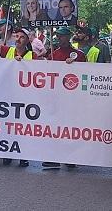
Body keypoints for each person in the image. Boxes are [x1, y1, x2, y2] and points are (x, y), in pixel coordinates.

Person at [0, 27, 35, 167]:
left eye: (21, 37)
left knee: (22, 128)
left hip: (24, 98)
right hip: (8, 95)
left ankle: (23, 155)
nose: (18, 39)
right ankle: (7, 153)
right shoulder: (8, 51)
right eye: (16, 36)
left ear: (27, 40)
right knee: (8, 126)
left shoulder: (33, 56)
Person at [44, 26, 85, 169]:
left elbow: (85, 72)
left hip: (73, 97)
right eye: (58, 36)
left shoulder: (78, 55)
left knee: (70, 128)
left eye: (62, 36)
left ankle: (70, 157)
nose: (59, 38)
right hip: (57, 97)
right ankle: (54, 157)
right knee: (55, 127)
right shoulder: (53, 55)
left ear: (68, 37)